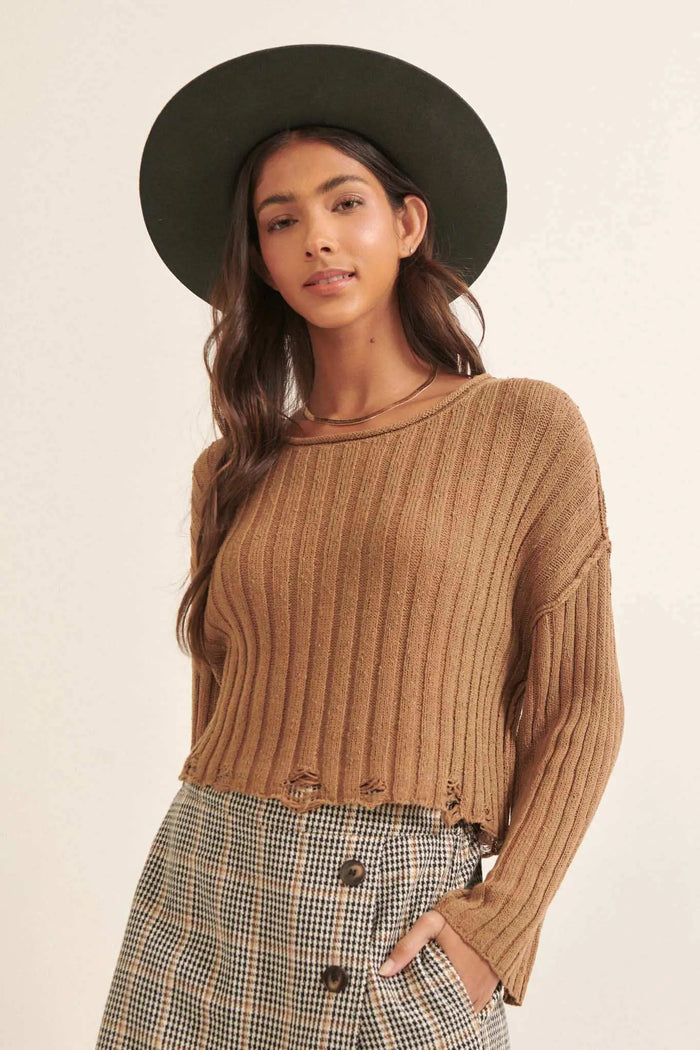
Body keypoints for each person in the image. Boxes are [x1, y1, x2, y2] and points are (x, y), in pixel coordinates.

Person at [95, 44, 624, 1050]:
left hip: (391, 915)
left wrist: (497, 928)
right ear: (259, 257)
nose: (317, 240)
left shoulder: (522, 429)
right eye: (280, 221)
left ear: (408, 224)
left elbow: (582, 703)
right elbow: (220, 702)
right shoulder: (231, 469)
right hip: (204, 893)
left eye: (345, 203)